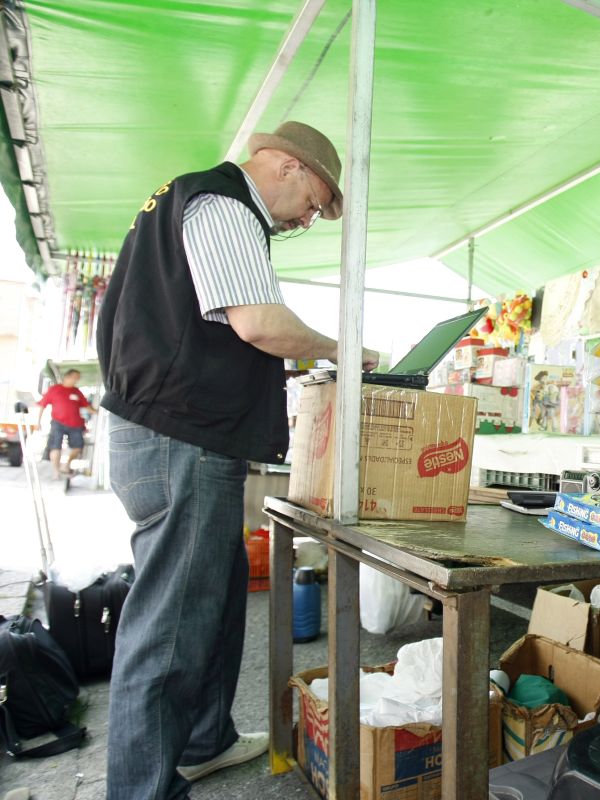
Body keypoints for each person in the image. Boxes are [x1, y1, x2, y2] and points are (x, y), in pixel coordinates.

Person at [97, 121, 380, 800]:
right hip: (178, 441)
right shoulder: (223, 203)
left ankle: (204, 741)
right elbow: (258, 322)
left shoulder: (193, 207)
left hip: (179, 437)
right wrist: (347, 351)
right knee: (167, 631)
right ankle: (142, 790)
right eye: (314, 202)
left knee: (216, 598)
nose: (309, 220)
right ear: (286, 165)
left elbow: (217, 332)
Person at [37, 368, 94, 477]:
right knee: (55, 446)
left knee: (78, 446)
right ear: (67, 377)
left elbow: (87, 406)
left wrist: (98, 411)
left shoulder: (77, 392)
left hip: (76, 424)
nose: (76, 380)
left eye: (78, 378)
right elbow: (42, 406)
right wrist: (38, 422)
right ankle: (56, 471)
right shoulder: (54, 389)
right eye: (75, 377)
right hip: (58, 422)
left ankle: (66, 465)